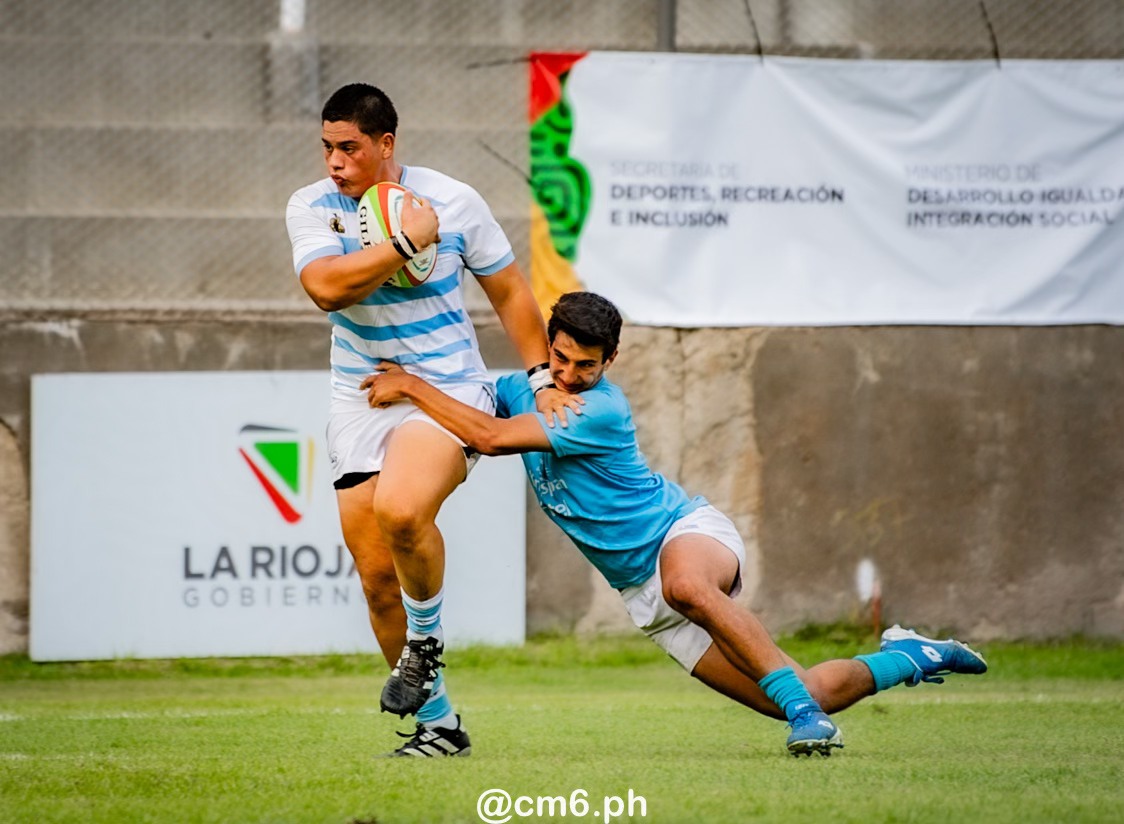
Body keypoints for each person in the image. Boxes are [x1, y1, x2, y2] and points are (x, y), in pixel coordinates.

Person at [361, 291, 989, 757]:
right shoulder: (527, 387)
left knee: (690, 588)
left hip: (684, 536)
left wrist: (411, 385)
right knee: (807, 692)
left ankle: (807, 718)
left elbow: (492, 439)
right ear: (547, 345)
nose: (570, 376)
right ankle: (910, 655)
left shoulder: (598, 408)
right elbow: (475, 412)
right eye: (560, 359)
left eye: (587, 365)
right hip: (644, 598)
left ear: (611, 359)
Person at [285, 83, 579, 758]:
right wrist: (406, 243)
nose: (335, 162)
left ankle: (425, 642)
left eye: (349, 148)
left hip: (447, 390)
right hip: (360, 396)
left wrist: (540, 380)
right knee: (376, 579)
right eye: (327, 147)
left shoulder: (454, 200)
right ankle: (440, 726)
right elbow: (326, 288)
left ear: (385, 144)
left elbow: (509, 290)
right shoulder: (312, 206)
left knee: (403, 509)